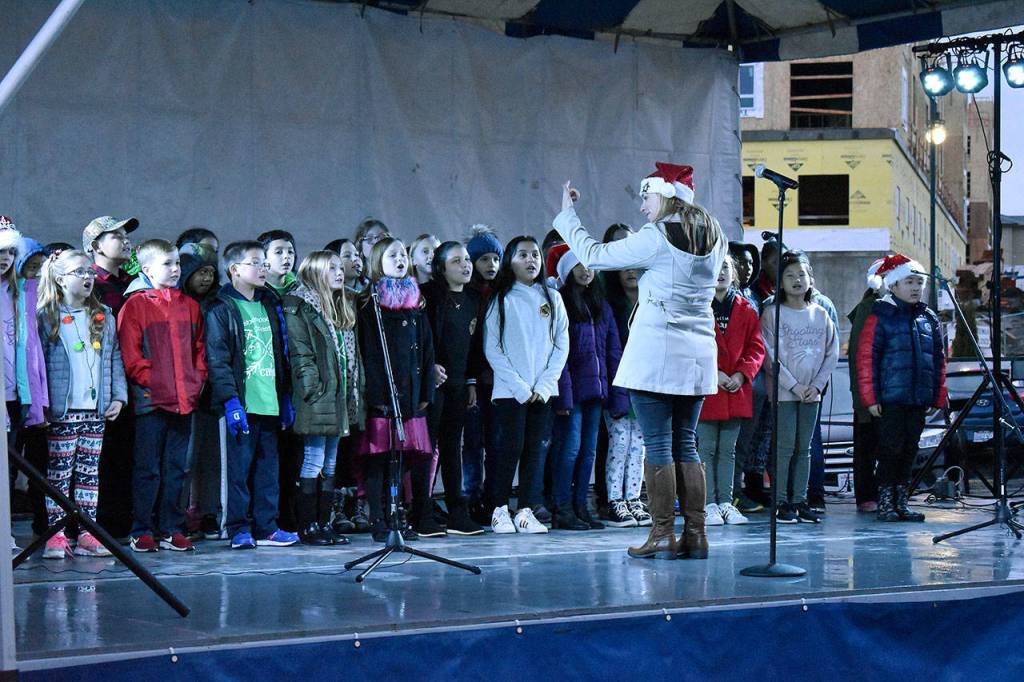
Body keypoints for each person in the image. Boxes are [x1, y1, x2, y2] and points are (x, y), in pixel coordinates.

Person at [552, 162, 726, 560]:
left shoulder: (657, 236)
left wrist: (567, 215)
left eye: (647, 197)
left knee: (659, 444)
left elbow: (594, 255)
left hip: (657, 353)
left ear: (665, 195)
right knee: (687, 443)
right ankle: (696, 534)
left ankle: (662, 533)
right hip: (697, 354)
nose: (643, 206)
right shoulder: (714, 234)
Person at [205, 241, 298, 549]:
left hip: (269, 401)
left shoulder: (268, 303)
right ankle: (237, 527)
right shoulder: (221, 308)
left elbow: (280, 352)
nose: (263, 269)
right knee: (238, 471)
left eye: (263, 264)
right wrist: (230, 401)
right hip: (242, 403)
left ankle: (266, 526)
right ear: (234, 269)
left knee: (268, 470)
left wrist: (284, 397)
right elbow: (217, 359)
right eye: (256, 263)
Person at [117, 239, 207, 552]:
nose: (175, 269)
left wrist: (195, 383)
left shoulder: (189, 306)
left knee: (177, 468)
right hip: (151, 402)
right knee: (148, 469)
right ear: (147, 269)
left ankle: (171, 528)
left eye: (177, 263)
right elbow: (131, 356)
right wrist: (156, 384)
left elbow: (199, 351)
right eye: (167, 264)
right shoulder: (136, 305)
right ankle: (141, 528)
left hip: (184, 401)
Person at [37, 250, 127, 558]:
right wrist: (40, 403)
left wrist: (118, 396)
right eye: (80, 272)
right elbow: (39, 364)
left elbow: (114, 358)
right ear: (61, 279)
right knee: (59, 474)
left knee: (89, 474)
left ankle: (88, 532)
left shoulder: (103, 316)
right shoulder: (46, 316)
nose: (88, 277)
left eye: (90, 272)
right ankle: (56, 533)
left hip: (95, 410)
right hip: (63, 410)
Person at [483, 236, 568, 534]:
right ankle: (499, 509)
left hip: (542, 393)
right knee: (509, 449)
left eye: (535, 255)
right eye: (523, 255)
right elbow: (493, 349)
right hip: (511, 393)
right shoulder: (501, 300)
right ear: (510, 261)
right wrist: (520, 388)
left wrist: (544, 385)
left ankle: (526, 510)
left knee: (535, 450)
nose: (531, 260)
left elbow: (561, 346)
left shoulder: (553, 298)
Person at [856, 254, 947, 522]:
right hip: (891, 398)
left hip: (917, 397)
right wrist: (871, 398)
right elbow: (866, 358)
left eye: (919, 282)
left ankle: (901, 501)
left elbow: (939, 359)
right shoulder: (880, 315)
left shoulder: (928, 317)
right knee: (890, 449)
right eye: (909, 282)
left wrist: (936, 395)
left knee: (909, 450)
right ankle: (885, 501)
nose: (916, 287)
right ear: (893, 285)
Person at [357, 237, 435, 543]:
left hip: (410, 393)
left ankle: (397, 517)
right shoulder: (370, 304)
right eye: (393, 255)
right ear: (378, 261)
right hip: (384, 397)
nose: (400, 260)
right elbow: (368, 352)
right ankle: (378, 518)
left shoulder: (417, 302)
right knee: (379, 458)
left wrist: (425, 392)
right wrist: (376, 396)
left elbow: (426, 350)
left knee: (402, 460)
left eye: (403, 254)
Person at [548, 244, 627, 531]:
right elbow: (559, 353)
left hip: (597, 392)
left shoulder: (602, 306)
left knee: (589, 452)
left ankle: (581, 506)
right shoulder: (561, 303)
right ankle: (562, 507)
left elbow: (613, 352)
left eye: (591, 265)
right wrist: (564, 396)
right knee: (570, 449)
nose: (586, 271)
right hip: (571, 392)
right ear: (568, 270)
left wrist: (618, 395)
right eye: (579, 265)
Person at [760, 251, 839, 524]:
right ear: (780, 282)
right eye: (789, 275)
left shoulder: (821, 314)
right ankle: (781, 501)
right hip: (784, 393)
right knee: (784, 447)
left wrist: (816, 386)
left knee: (804, 448)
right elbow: (769, 356)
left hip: (811, 394)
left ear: (811, 279)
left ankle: (800, 499)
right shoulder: (772, 314)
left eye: (801, 275)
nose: (796, 280)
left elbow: (832, 353)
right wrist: (793, 386)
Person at [283, 251, 355, 545]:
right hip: (318, 395)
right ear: (315, 273)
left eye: (340, 268)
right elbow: (301, 355)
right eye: (332, 268)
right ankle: (308, 525)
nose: (339, 273)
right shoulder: (299, 306)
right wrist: (314, 390)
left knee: (331, 463)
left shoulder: (339, 307)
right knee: (313, 459)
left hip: (338, 394)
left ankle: (325, 523)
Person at [421, 241, 486, 537]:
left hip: (459, 384)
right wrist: (430, 367)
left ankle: (457, 513)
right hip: (433, 384)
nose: (466, 265)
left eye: (467, 259)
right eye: (457, 261)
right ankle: (422, 512)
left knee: (452, 447)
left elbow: (474, 344)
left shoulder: (474, 298)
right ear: (441, 268)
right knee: (427, 448)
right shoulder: (428, 296)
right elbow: (421, 339)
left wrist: (471, 380)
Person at [697, 256, 764, 526]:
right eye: (715, 267)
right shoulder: (698, 307)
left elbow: (756, 348)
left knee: (729, 450)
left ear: (733, 272)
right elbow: (692, 347)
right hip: (707, 389)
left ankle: (726, 501)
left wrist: (742, 373)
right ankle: (707, 503)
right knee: (706, 449)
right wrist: (714, 373)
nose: (720, 272)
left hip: (736, 390)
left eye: (725, 267)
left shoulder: (746, 309)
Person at [83, 215, 139, 539]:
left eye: (125, 235)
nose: (125, 240)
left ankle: (121, 524)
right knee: (98, 459)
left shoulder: (135, 283)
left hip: (133, 382)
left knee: (126, 457)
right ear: (96, 246)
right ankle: (93, 526)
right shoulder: (89, 284)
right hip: (98, 383)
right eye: (116, 236)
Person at [599, 224, 649, 528]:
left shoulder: (651, 300)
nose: (631, 271)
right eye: (625, 266)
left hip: (646, 384)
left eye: (636, 265)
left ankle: (634, 499)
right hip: (618, 385)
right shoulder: (609, 304)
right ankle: (614, 500)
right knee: (619, 442)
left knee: (638, 446)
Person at [178, 244, 223, 539]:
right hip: (186, 389)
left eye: (210, 272)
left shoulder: (219, 304)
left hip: (212, 393)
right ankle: (180, 514)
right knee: (185, 459)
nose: (206, 278)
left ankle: (207, 512)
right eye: (199, 272)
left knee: (210, 458)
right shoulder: (179, 303)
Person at [257, 229, 300, 532]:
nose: (286, 257)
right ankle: (268, 519)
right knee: (271, 457)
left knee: (296, 457)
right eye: (279, 252)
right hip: (269, 385)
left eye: (290, 251)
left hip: (298, 383)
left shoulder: (300, 291)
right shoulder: (260, 295)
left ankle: (294, 516)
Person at [462, 224, 502, 518]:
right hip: (476, 380)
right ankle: (471, 495)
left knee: (496, 442)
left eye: (496, 259)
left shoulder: (503, 293)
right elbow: (469, 344)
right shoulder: (467, 295)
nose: (491, 265)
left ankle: (493, 497)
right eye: (484, 259)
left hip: (500, 380)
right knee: (473, 442)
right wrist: (471, 380)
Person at [16, 236, 52, 538]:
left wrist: (42, 402)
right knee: (11, 463)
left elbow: (39, 355)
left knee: (41, 466)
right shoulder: (14, 296)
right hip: (15, 394)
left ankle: (45, 525)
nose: (37, 273)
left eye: (41, 267)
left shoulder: (45, 298)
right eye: (31, 267)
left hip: (38, 395)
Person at [847, 266, 885, 513]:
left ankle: (887, 493)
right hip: (871, 392)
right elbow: (858, 356)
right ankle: (868, 495)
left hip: (890, 390)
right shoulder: (869, 308)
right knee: (867, 445)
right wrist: (864, 397)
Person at [354, 218, 389, 291]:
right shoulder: (354, 280)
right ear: (360, 245)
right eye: (370, 239)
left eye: (382, 237)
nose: (376, 242)